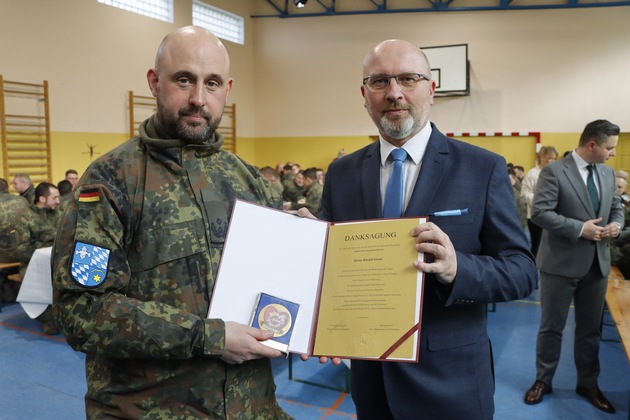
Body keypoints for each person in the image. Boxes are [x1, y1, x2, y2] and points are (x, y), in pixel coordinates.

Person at [51, 26, 290, 418]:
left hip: (252, 407)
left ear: (227, 89)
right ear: (154, 81)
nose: (198, 99)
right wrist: (208, 338)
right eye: (184, 80)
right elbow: (82, 312)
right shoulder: (110, 181)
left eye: (211, 83)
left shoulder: (248, 181)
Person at [315, 39, 537, 419]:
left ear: (431, 90)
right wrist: (303, 243)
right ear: (364, 93)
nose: (395, 93)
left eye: (408, 79)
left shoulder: (482, 168)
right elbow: (326, 266)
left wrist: (457, 269)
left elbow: (522, 270)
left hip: (452, 384)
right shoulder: (342, 173)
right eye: (380, 81)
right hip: (371, 381)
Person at [524, 119, 623, 414]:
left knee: (590, 330)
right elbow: (540, 212)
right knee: (551, 328)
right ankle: (543, 379)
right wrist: (581, 229)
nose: (612, 153)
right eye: (609, 147)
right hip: (559, 264)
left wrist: (616, 223)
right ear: (592, 145)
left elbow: (615, 206)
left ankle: (588, 383)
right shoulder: (554, 171)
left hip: (597, 264)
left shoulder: (606, 173)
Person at [520, 146, 558, 257]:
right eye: (549, 158)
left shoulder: (555, 173)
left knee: (549, 246)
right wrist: (541, 200)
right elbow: (523, 195)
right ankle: (534, 270)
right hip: (535, 216)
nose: (551, 161)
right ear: (542, 157)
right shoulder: (532, 174)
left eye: (554, 159)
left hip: (552, 215)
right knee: (537, 247)